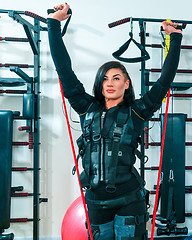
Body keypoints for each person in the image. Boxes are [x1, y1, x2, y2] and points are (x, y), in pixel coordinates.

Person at [47, 3, 182, 239]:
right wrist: (53, 24)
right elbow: (64, 69)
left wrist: (176, 38)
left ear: (126, 83)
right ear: (100, 84)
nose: (110, 83)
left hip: (129, 200)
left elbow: (164, 81)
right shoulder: (86, 107)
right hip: (96, 201)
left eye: (117, 78)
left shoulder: (138, 110)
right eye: (105, 78)